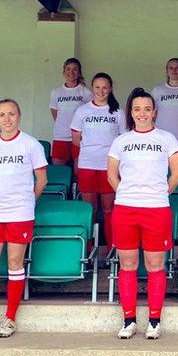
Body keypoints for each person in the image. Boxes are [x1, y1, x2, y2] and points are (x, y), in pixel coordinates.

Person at [108, 88, 178, 340]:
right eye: (137, 109)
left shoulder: (167, 138)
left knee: (155, 265)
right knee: (128, 265)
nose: (142, 113)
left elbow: (177, 174)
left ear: (154, 112)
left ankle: (154, 320)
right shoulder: (121, 141)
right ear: (131, 112)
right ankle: (129, 320)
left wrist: (161, 193)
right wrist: (127, 194)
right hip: (126, 210)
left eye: (147, 109)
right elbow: (112, 175)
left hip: (157, 210)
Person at [0, 99, 48, 338]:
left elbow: (41, 180)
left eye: (11, 114)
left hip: (20, 213)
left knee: (15, 263)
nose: (7, 118)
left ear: (19, 116)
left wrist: (26, 201)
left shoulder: (30, 144)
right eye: (2, 114)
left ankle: (10, 319)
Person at [70, 73, 126, 249]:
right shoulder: (82, 110)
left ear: (110, 88)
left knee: (109, 208)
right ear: (92, 88)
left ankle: (112, 248)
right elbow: (75, 138)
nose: (101, 91)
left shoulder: (118, 112)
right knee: (89, 209)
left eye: (104, 87)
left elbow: (123, 140)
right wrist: (91, 149)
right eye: (97, 87)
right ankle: (87, 250)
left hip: (108, 166)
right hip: (87, 165)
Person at [49, 58, 92, 166]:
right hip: (60, 137)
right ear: (64, 72)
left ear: (79, 72)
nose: (71, 72)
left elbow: (90, 115)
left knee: (79, 172)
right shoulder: (56, 92)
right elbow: (55, 114)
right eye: (68, 69)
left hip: (80, 138)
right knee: (59, 171)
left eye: (74, 69)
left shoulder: (86, 92)